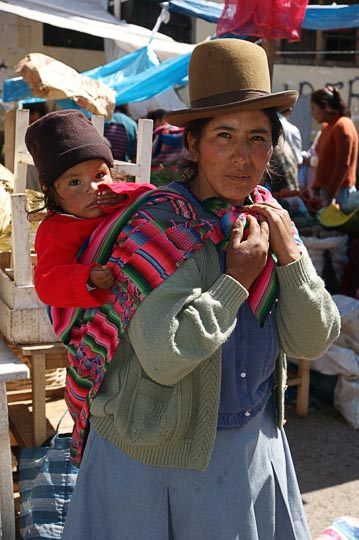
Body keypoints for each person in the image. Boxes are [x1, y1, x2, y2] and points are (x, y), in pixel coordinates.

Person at [60, 39, 340, 540]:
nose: (242, 156)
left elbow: (311, 341)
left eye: (258, 138)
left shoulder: (268, 218)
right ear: (192, 144)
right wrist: (236, 280)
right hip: (156, 458)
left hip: (248, 444)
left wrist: (291, 259)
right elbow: (165, 354)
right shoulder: (159, 229)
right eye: (224, 136)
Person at [25, 109, 155, 308]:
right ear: (53, 194)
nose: (93, 189)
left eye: (99, 176)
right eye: (75, 182)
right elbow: (46, 284)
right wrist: (87, 278)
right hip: (99, 316)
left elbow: (153, 195)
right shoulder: (55, 231)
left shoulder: (119, 201)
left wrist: (121, 194)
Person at [310, 86, 358, 209]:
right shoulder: (327, 127)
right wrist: (316, 185)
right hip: (327, 192)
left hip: (340, 193)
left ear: (325, 107)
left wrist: (331, 194)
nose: (312, 114)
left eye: (314, 109)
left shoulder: (342, 125)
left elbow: (343, 164)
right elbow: (324, 160)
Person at [146, 108, 185, 173]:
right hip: (172, 169)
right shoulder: (161, 133)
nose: (167, 124)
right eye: (166, 121)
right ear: (158, 121)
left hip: (155, 170)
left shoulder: (159, 133)